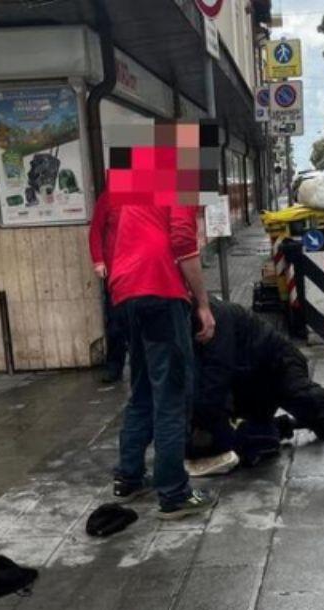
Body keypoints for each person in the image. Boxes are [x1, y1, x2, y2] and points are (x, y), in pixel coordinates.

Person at [189, 298, 324, 499]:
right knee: (243, 443)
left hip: (278, 364)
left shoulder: (214, 316)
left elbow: (216, 377)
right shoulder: (181, 322)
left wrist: (202, 425)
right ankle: (284, 426)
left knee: (310, 407)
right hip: (249, 381)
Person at [107, 192, 217, 520]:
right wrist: (203, 304)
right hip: (159, 291)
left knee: (142, 388)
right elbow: (183, 242)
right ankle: (173, 493)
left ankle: (129, 477)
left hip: (126, 292)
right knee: (171, 395)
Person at [88, 190, 127, 383]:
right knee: (116, 323)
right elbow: (96, 230)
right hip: (116, 272)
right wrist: (98, 261)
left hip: (140, 270)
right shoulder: (109, 197)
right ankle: (115, 366)